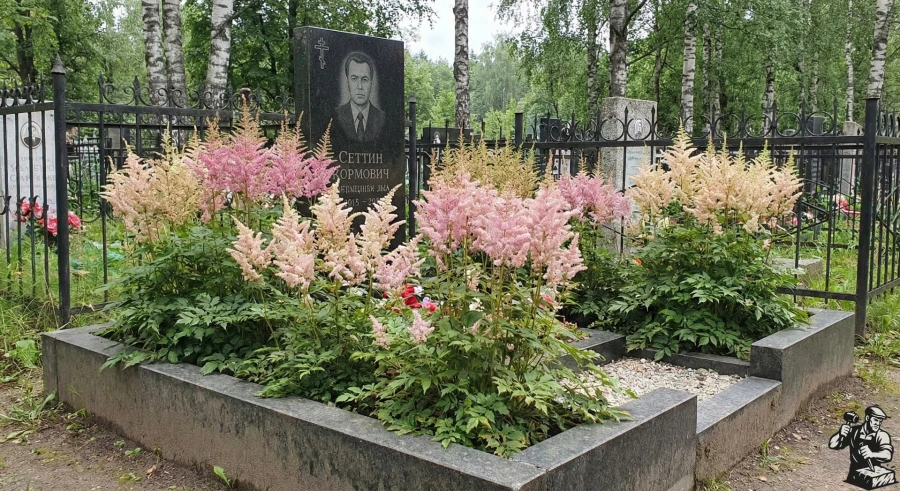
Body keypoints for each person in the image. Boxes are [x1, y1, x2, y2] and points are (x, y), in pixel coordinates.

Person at [829, 406, 894, 487]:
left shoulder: (882, 435)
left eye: (880, 421)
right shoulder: (854, 431)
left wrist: (872, 454)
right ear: (867, 418)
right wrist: (839, 434)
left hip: (874, 478)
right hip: (853, 476)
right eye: (875, 420)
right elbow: (832, 445)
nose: (878, 424)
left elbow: (888, 455)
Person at [332, 52, 385, 143]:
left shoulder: (383, 118)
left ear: (371, 85)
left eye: (364, 79)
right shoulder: (335, 116)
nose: (360, 86)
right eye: (354, 78)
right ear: (347, 83)